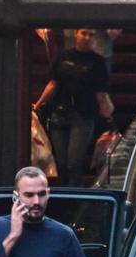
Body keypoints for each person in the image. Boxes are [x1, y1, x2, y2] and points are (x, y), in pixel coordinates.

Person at [34, 27, 114, 186]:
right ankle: (66, 198)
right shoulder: (64, 56)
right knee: (61, 163)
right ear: (76, 34)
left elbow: (101, 93)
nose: (87, 37)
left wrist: (108, 114)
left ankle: (75, 201)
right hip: (60, 112)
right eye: (84, 33)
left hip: (83, 116)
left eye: (91, 34)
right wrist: (38, 104)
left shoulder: (97, 62)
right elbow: (54, 83)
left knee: (74, 162)